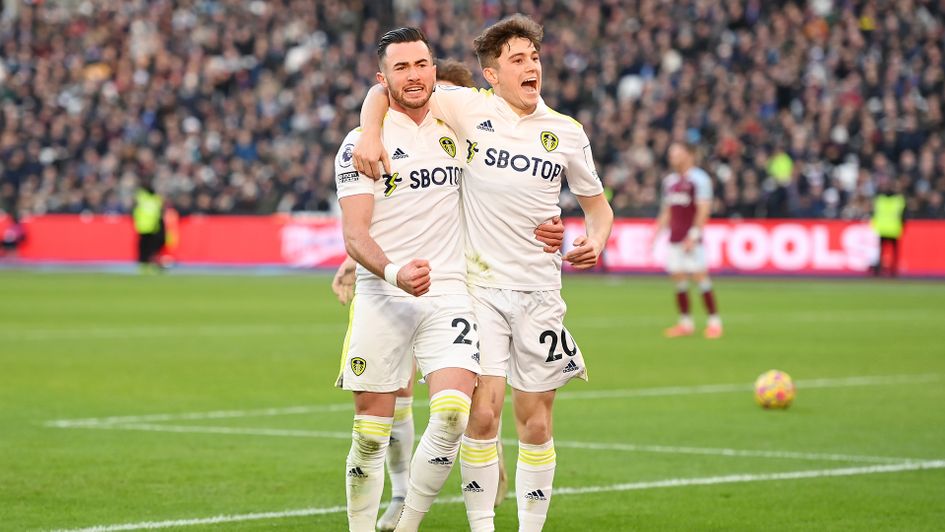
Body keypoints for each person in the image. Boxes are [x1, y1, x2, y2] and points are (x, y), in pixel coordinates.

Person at [355, 14, 614, 531]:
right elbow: (387, 89)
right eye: (517, 59)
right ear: (492, 75)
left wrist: (594, 241)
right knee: (481, 415)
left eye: (534, 57)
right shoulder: (468, 108)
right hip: (481, 290)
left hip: (540, 290)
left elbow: (598, 208)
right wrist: (369, 132)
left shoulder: (567, 132)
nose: (531, 66)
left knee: (536, 421)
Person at [330, 57, 542, 531]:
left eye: (425, 71)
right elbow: (378, 217)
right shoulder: (368, 138)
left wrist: (546, 223)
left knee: (457, 413)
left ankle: (414, 510)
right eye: (405, 71)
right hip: (388, 291)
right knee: (378, 422)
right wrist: (370, 128)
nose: (421, 83)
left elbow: (509, 191)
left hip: (456, 289)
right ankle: (394, 496)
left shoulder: (467, 133)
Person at [652, 142, 723, 339]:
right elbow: (667, 210)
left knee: (700, 276)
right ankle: (686, 323)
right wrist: (656, 232)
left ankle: (714, 323)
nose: (672, 157)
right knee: (679, 278)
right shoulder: (670, 181)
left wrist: (693, 235)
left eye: (676, 153)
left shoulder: (699, 179)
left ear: (689, 155)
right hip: (674, 238)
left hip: (691, 239)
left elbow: (703, 210)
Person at [870, 179, 906, 277]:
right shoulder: (899, 200)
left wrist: (874, 226)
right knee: (894, 252)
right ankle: (893, 271)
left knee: (881, 251)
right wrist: (903, 227)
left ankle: (879, 270)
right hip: (894, 229)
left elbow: (874, 213)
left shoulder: (880, 199)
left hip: (882, 229)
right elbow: (903, 216)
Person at [132, 181, 165, 273]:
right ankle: (145, 265)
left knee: (149, 247)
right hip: (146, 226)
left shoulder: (148, 198)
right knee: (145, 247)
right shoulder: (144, 197)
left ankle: (148, 264)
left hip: (150, 226)